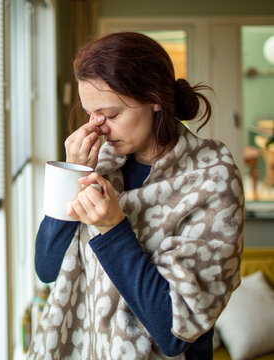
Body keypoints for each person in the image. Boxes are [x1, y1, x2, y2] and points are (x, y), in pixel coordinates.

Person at [28, 32, 244, 360]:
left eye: (111, 115)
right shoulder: (99, 163)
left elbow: (175, 332)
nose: (98, 128)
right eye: (91, 114)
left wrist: (113, 228)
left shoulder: (211, 177)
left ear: (155, 98)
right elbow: (46, 270)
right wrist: (70, 176)